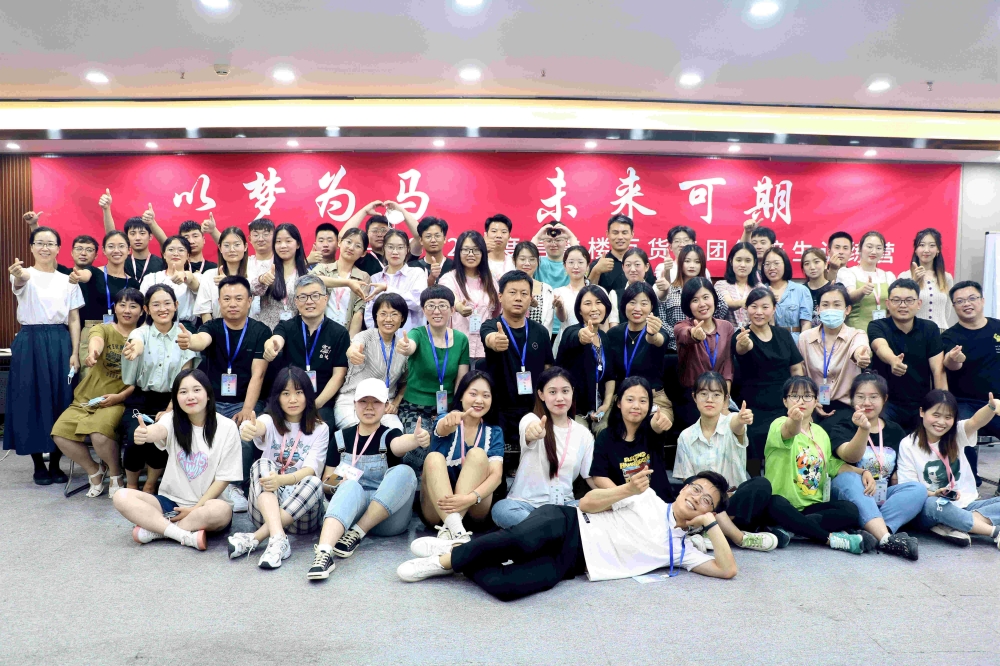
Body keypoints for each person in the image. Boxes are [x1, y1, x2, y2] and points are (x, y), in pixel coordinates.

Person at [396, 471, 737, 595]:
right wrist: (627, 490)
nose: (697, 497)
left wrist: (710, 524)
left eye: (706, 500)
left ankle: (463, 550)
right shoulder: (647, 498)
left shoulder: (683, 551)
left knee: (508, 587)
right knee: (520, 541)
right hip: (570, 522)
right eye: (695, 488)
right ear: (683, 487)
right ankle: (444, 561)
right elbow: (586, 503)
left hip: (575, 563)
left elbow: (726, 569)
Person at [306, 378, 424, 579]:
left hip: (387, 518)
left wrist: (414, 439)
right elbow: (326, 481)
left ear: (386, 406)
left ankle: (358, 533)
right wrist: (339, 482)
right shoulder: (340, 437)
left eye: (376, 402)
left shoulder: (390, 434)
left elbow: (398, 445)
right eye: (363, 401)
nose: (369, 407)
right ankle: (324, 553)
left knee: (405, 472)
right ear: (354, 404)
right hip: (350, 513)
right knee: (350, 486)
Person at [111, 368, 241, 550]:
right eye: (183, 392)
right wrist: (146, 433)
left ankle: (158, 530)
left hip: (206, 505)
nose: (190, 396)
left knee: (221, 511)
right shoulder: (172, 419)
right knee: (121, 496)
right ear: (176, 398)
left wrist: (195, 508)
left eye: (197, 390)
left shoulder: (227, 427)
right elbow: (158, 430)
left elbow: (224, 478)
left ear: (208, 395)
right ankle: (183, 534)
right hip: (170, 503)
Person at [179, 276, 271, 511]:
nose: (232, 304)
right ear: (219, 302)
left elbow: (258, 374)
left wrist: (247, 409)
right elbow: (201, 341)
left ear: (249, 301)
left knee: (245, 434)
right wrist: (190, 341)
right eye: (227, 299)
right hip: (213, 401)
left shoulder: (260, 331)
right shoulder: (213, 327)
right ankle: (197, 486)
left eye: (239, 298)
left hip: (244, 400)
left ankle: (235, 487)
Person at [227, 367, 329, 568]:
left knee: (314, 481)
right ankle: (278, 539)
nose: (293, 399)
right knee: (261, 464)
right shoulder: (270, 420)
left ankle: (257, 538)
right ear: (277, 398)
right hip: (265, 509)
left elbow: (310, 470)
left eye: (299, 392)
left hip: (302, 516)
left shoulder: (320, 428)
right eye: (286, 393)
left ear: (308, 396)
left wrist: (281, 480)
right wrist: (248, 428)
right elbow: (257, 426)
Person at [4, 226, 83, 485]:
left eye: (50, 243)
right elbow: (21, 281)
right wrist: (18, 275)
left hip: (60, 341)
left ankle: (57, 463)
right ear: (31, 248)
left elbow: (74, 318)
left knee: (62, 399)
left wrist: (75, 352)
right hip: (30, 340)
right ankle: (38, 464)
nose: (45, 247)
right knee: (30, 400)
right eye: (39, 243)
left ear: (59, 248)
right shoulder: (24, 274)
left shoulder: (68, 280)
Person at [52, 288, 143, 498]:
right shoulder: (103, 329)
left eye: (133, 306)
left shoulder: (143, 336)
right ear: (114, 307)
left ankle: (116, 473)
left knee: (99, 434)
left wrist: (121, 397)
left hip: (117, 399)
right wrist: (94, 352)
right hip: (88, 397)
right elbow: (97, 340)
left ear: (142, 310)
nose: (127, 310)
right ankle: (95, 471)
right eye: (122, 305)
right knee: (60, 434)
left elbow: (140, 378)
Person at [674, 371, 779, 552]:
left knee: (761, 485)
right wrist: (709, 499)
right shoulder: (686, 436)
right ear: (694, 397)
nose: (710, 399)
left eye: (716, 395)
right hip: (704, 505)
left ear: (725, 400)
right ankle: (739, 537)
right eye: (703, 394)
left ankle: (710, 531)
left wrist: (741, 419)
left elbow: (737, 425)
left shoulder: (731, 421)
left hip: (735, 502)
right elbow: (688, 481)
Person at [764, 376, 868, 554]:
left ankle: (791, 528)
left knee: (850, 510)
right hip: (783, 504)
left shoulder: (821, 433)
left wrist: (862, 471)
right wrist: (795, 420)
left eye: (807, 396)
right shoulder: (778, 424)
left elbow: (833, 465)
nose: (801, 401)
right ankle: (831, 539)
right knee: (774, 503)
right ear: (785, 401)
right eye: (794, 396)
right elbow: (790, 430)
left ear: (816, 401)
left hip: (810, 507)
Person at [825, 373, 924, 560]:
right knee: (848, 478)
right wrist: (863, 429)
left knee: (917, 489)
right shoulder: (842, 426)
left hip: (882, 495)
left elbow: (899, 469)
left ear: (884, 399)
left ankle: (873, 532)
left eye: (873, 397)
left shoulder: (895, 431)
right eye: (860, 397)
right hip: (852, 493)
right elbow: (850, 456)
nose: (867, 402)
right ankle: (886, 538)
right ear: (851, 399)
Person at [492, 368, 596, 528]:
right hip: (524, 505)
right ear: (541, 394)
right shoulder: (531, 419)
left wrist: (619, 495)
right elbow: (530, 430)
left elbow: (592, 478)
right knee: (502, 510)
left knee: (591, 508)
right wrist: (534, 432)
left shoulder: (583, 434)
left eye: (565, 391)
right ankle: (555, 531)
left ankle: (539, 532)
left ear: (572, 392)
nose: (560, 398)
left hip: (562, 506)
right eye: (552, 392)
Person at [121, 284, 200, 493]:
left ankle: (150, 484)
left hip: (172, 400)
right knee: (136, 437)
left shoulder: (184, 335)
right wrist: (136, 349)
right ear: (147, 309)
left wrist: (170, 409)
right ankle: (131, 485)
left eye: (167, 303)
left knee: (160, 437)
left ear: (176, 305)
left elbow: (184, 379)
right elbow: (136, 342)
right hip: (141, 399)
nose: (162, 309)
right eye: (156, 304)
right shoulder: (140, 333)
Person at [897, 389, 1000, 548]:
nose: (941, 422)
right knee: (934, 504)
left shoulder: (956, 433)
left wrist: (991, 407)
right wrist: (934, 493)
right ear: (922, 412)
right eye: (936, 415)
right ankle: (993, 531)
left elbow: (975, 422)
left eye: (948, 417)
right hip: (929, 507)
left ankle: (955, 523)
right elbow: (909, 489)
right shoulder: (908, 444)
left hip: (966, 504)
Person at [419, 371, 505, 543]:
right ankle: (456, 531)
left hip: (474, 507)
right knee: (433, 457)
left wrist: (469, 499)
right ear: (461, 396)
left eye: (486, 395)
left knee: (478, 454)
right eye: (473, 394)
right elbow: (444, 427)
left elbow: (496, 476)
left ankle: (451, 532)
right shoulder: (447, 418)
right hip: (438, 509)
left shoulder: (494, 432)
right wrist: (450, 421)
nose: (479, 400)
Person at [394, 286, 471, 472]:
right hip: (414, 408)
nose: (436, 311)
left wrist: (456, 409)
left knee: (449, 448)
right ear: (423, 309)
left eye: (442, 305)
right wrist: (405, 346)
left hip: (447, 407)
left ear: (452, 309)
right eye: (430, 305)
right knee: (419, 447)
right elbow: (410, 345)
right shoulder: (417, 334)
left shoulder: (461, 339)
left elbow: (461, 381)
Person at [482, 270, 555, 464]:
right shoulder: (491, 326)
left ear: (530, 298)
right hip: (499, 410)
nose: (518, 298)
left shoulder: (540, 331)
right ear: (500, 296)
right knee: (498, 464)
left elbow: (548, 368)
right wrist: (495, 341)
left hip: (533, 409)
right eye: (512, 292)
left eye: (524, 293)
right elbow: (489, 339)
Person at [732, 287, 805, 473]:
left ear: (773, 309)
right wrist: (744, 344)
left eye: (765, 307)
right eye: (753, 306)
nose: (759, 312)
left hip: (783, 405)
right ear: (746, 309)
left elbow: (796, 369)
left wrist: (800, 398)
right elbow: (741, 349)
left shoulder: (783, 335)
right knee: (753, 447)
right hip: (753, 408)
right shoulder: (741, 335)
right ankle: (755, 481)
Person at [263, 275, 350, 427]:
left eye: (315, 296)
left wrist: (314, 405)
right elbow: (276, 340)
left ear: (325, 298)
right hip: (287, 401)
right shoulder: (286, 326)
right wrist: (271, 345)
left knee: (321, 428)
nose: (309, 301)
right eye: (303, 297)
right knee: (265, 427)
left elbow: (339, 375)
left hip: (320, 403)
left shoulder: (339, 333)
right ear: (296, 302)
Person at [868, 278, 946, 431]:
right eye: (896, 300)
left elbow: (938, 369)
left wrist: (942, 404)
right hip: (886, 402)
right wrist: (893, 360)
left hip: (920, 403)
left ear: (919, 303)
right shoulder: (877, 325)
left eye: (909, 300)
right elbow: (880, 346)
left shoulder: (930, 328)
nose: (903, 305)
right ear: (888, 303)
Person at [942, 281, 1000, 483]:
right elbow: (949, 363)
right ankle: (971, 483)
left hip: (997, 401)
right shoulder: (950, 336)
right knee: (960, 430)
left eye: (972, 298)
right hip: (964, 402)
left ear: (982, 300)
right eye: (960, 301)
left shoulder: (997, 327)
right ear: (954, 306)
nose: (966, 303)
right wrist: (954, 359)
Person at [589, 377, 675, 502]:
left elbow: (656, 426)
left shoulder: (650, 430)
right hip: (625, 505)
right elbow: (599, 477)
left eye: (643, 401)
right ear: (619, 403)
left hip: (659, 504)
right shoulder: (605, 437)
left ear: (650, 405)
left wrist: (661, 421)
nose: (636, 406)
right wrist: (627, 498)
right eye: (630, 400)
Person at [797, 283, 872, 422]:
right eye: (825, 305)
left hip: (845, 407)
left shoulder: (856, 335)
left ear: (847, 309)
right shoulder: (805, 338)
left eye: (837, 305)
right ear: (818, 309)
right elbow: (800, 373)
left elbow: (860, 348)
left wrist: (860, 356)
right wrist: (810, 401)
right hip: (811, 404)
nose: (831, 309)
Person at [338, 293, 411, 428]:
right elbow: (354, 346)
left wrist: (395, 403)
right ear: (375, 316)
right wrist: (352, 352)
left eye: (394, 314)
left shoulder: (403, 347)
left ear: (402, 318)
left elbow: (406, 382)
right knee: (356, 429)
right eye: (383, 314)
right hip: (353, 400)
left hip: (383, 404)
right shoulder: (365, 336)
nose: (388, 319)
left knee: (396, 431)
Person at [673, 277, 734, 429]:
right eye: (695, 300)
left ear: (714, 298)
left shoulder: (726, 327)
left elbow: (727, 367)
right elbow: (685, 334)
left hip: (719, 395)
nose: (702, 304)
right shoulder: (681, 327)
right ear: (688, 305)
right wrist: (694, 335)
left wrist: (724, 404)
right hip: (693, 398)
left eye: (706, 297)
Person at [606, 281, 671, 421]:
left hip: (653, 397)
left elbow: (658, 340)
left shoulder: (659, 331)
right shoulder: (613, 334)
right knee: (603, 427)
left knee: (655, 425)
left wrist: (652, 334)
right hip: (621, 396)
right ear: (624, 304)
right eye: (632, 302)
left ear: (651, 307)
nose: (637, 308)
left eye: (644, 303)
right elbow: (609, 374)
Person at [556, 285, 615, 433]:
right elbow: (575, 337)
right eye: (588, 303)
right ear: (580, 310)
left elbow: (610, 376)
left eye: (599, 302)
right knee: (581, 435)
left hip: (600, 407)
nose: (594, 308)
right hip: (574, 409)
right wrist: (582, 336)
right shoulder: (571, 331)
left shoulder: (604, 338)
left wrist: (606, 404)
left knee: (606, 432)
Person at [438, 230, 500, 368]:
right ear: (458, 252)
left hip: (485, 350)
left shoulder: (491, 280)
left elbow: (497, 311)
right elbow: (448, 294)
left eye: (476, 250)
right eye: (466, 250)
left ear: (483, 253)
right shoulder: (449, 278)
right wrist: (458, 306)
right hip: (457, 349)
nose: (471, 254)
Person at [658, 244, 727, 349]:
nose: (692, 265)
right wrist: (680, 334)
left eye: (697, 262)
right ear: (680, 263)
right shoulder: (670, 290)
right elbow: (661, 320)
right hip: (674, 348)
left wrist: (707, 333)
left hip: (706, 347)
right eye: (687, 261)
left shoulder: (711, 291)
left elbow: (722, 308)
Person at [363, 229, 428, 331]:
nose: (395, 252)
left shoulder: (417, 273)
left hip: (411, 336)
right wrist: (377, 334)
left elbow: (417, 303)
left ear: (407, 249)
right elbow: (369, 312)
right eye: (390, 247)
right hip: (381, 337)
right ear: (384, 249)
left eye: (400, 247)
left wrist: (387, 288)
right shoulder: (375, 278)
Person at [311, 227, 371, 336]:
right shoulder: (323, 268)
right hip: (319, 332)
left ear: (363, 253)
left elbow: (358, 312)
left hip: (344, 333)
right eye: (348, 242)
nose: (351, 248)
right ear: (339, 243)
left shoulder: (363, 277)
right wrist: (347, 283)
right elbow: (312, 281)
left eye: (358, 246)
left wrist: (350, 341)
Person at [99, 190, 167, 282]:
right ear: (126, 237)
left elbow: (166, 244)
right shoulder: (121, 260)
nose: (137, 238)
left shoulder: (161, 262)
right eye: (132, 233)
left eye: (142, 233)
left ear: (151, 236)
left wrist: (152, 223)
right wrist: (106, 209)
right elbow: (111, 237)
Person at [252, 223, 310, 330]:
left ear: (298, 244)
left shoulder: (305, 274)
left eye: (288, 241)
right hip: (267, 331)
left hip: (293, 332)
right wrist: (261, 280)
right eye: (278, 242)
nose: (283, 246)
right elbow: (252, 290)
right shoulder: (266, 268)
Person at [837, 230, 896, 331]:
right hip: (856, 331)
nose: (874, 251)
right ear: (860, 248)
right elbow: (848, 297)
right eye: (869, 247)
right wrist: (862, 291)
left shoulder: (889, 276)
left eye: (878, 248)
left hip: (883, 331)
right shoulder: (848, 273)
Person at [139, 235, 201, 330]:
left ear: (188, 256)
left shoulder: (197, 277)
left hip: (184, 328)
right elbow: (144, 306)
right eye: (171, 250)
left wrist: (185, 275)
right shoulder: (150, 278)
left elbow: (195, 285)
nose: (175, 253)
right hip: (155, 326)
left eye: (181, 250)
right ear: (164, 254)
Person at [898, 228, 955, 330]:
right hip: (914, 332)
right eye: (922, 245)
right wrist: (913, 282)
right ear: (916, 250)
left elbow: (947, 311)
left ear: (938, 249)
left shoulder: (947, 278)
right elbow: (900, 306)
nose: (926, 250)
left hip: (940, 331)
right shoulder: (904, 276)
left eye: (932, 245)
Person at [587, 214, 654, 295]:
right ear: (607, 234)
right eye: (615, 233)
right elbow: (588, 294)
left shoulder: (642, 264)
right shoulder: (598, 264)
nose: (620, 237)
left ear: (632, 234)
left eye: (624, 233)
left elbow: (652, 292)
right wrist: (596, 271)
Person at [194, 226, 248, 323]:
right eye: (226, 245)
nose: (232, 249)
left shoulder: (253, 274)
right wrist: (210, 330)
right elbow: (204, 311)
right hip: (216, 327)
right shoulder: (209, 275)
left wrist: (228, 283)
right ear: (220, 248)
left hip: (248, 326)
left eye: (237, 245)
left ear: (245, 247)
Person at [761, 247, 812, 343]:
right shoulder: (760, 291)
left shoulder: (801, 290)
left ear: (785, 264)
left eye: (776, 263)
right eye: (767, 264)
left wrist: (803, 345)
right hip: (767, 342)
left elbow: (806, 324)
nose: (772, 268)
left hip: (795, 341)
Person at [551, 245, 591, 351]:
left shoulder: (596, 291)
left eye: (580, 262)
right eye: (571, 262)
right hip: (567, 341)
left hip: (591, 340)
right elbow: (562, 319)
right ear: (565, 266)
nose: (576, 266)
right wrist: (560, 306)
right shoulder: (559, 292)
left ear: (587, 266)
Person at [513, 241, 555, 336]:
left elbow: (548, 323)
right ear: (514, 260)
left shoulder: (546, 289)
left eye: (532, 259)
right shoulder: (505, 286)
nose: (527, 263)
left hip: (538, 340)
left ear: (537, 262)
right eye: (522, 259)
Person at [714, 241, 759, 329]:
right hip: (727, 334)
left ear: (754, 263)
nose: (743, 265)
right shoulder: (721, 285)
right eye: (738, 260)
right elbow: (727, 303)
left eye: (748, 261)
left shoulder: (760, 288)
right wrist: (743, 302)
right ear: (731, 261)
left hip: (753, 333)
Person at [611, 247, 655, 327]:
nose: (633, 269)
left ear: (646, 267)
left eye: (637, 265)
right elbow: (614, 326)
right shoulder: (615, 294)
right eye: (628, 265)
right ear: (623, 267)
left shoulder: (654, 291)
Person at [407, 217, 454, 286]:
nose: (433, 240)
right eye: (428, 236)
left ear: (444, 239)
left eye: (437, 236)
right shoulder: (411, 267)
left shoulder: (455, 266)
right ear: (421, 241)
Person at [531, 222, 577, 289]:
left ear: (566, 242)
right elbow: (527, 256)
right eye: (549, 241)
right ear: (543, 242)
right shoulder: (537, 262)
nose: (553, 244)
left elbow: (579, 257)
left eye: (558, 240)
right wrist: (537, 238)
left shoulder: (571, 264)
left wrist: (571, 237)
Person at [246, 218, 275, 320]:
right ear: (250, 239)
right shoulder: (245, 263)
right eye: (256, 235)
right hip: (248, 320)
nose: (261, 239)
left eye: (266, 234)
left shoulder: (281, 262)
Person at [801, 247, 830, 326]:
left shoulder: (833, 288)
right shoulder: (800, 290)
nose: (812, 267)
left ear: (825, 264)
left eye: (816, 262)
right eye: (807, 264)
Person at [484, 214, 515, 281]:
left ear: (509, 237)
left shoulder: (513, 262)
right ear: (486, 235)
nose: (499, 235)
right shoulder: (479, 260)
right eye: (494, 231)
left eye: (504, 232)